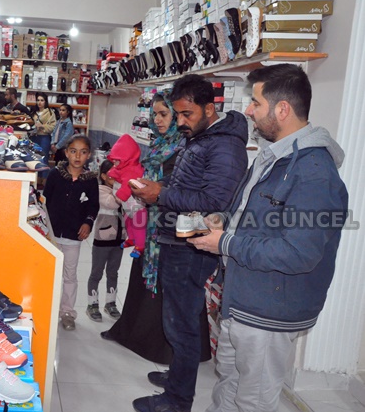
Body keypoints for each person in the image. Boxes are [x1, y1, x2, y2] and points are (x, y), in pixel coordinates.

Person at [187, 64, 348, 412]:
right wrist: (222, 221)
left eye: (256, 103)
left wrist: (225, 243)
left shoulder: (313, 173)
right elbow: (256, 216)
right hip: (242, 298)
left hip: (270, 311)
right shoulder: (272, 156)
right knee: (228, 384)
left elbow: (299, 252)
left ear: (282, 109)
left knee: (254, 401)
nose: (248, 110)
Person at [130, 74, 249, 412]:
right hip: (179, 238)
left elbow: (214, 200)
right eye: (178, 113)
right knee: (178, 319)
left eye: (187, 114)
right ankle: (178, 378)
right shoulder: (200, 137)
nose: (180, 121)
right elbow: (185, 181)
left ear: (209, 109)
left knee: (180, 324)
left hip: (193, 245)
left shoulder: (225, 146)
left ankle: (178, 400)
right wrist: (156, 186)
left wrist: (161, 194)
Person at [101, 93, 185, 365]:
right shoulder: (159, 144)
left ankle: (156, 346)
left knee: (160, 285)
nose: (158, 120)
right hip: (149, 223)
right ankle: (130, 332)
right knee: (141, 277)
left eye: (164, 114)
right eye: (155, 114)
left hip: (167, 225)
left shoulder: (183, 147)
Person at [43, 134, 99, 331]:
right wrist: (43, 226)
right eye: (73, 151)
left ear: (89, 155)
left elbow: (93, 206)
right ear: (66, 153)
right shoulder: (54, 175)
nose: (77, 156)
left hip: (73, 236)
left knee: (70, 274)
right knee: (48, 272)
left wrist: (88, 223)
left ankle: (67, 312)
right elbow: (45, 201)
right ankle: (45, 308)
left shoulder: (90, 181)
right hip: (51, 234)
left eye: (83, 152)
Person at [86, 160, 125, 322]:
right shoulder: (101, 190)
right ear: (103, 176)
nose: (116, 177)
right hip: (102, 241)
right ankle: (92, 304)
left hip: (119, 241)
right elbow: (112, 203)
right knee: (96, 273)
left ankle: (110, 303)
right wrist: (121, 190)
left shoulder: (121, 192)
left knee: (113, 273)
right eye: (112, 174)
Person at [29, 92, 56, 158]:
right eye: (38, 100)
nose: (39, 102)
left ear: (45, 102)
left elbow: (53, 127)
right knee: (33, 157)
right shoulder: (34, 112)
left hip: (44, 137)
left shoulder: (50, 113)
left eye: (42, 100)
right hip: (33, 137)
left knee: (43, 157)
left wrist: (42, 126)